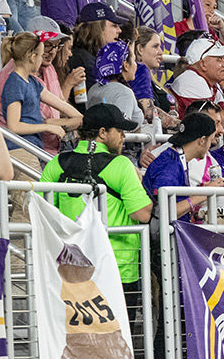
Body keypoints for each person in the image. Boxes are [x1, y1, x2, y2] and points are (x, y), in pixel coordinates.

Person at [40, 104, 155, 295]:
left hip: (71, 267)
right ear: (103, 132)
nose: (123, 138)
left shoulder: (57, 163)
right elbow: (142, 213)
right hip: (118, 266)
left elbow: (43, 209)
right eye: (119, 131)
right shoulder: (121, 165)